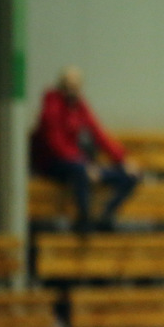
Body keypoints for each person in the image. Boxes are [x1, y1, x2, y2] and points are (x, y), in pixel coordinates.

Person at [29, 66, 140, 234]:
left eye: (75, 86)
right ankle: (84, 221)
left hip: (77, 162)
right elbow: (55, 143)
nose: (72, 90)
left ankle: (105, 216)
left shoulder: (79, 105)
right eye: (68, 85)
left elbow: (99, 133)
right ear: (61, 85)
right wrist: (84, 164)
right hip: (52, 163)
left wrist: (123, 159)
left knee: (130, 175)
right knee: (81, 171)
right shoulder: (52, 105)